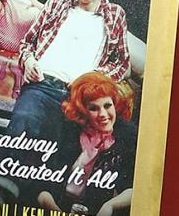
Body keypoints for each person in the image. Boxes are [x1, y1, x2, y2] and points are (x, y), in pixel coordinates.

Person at [0, 0, 130, 205]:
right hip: (44, 83)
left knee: (61, 145)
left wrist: (96, 79)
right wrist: (29, 60)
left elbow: (122, 63)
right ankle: (1, 191)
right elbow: (27, 44)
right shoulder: (56, 3)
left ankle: (38, 200)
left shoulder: (115, 15)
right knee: (25, 119)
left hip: (81, 93)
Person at [36, 73, 137, 216]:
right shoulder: (67, 131)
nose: (103, 114)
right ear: (83, 111)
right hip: (60, 206)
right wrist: (56, 211)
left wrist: (111, 205)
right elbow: (41, 187)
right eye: (94, 108)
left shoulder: (128, 135)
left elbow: (136, 187)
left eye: (107, 105)